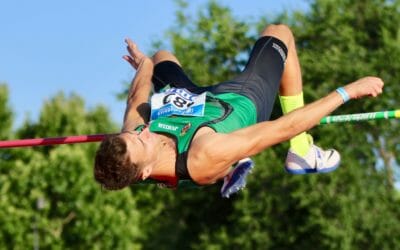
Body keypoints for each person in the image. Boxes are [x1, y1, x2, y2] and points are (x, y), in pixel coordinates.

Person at [94, 24, 384, 192]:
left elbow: (135, 100)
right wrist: (347, 91)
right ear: (144, 172)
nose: (144, 132)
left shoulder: (134, 139)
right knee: (280, 33)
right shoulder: (203, 154)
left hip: (197, 104)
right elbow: (284, 126)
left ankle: (228, 170)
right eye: (141, 140)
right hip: (240, 101)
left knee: (159, 58)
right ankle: (303, 152)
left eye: (135, 133)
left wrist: (144, 66)